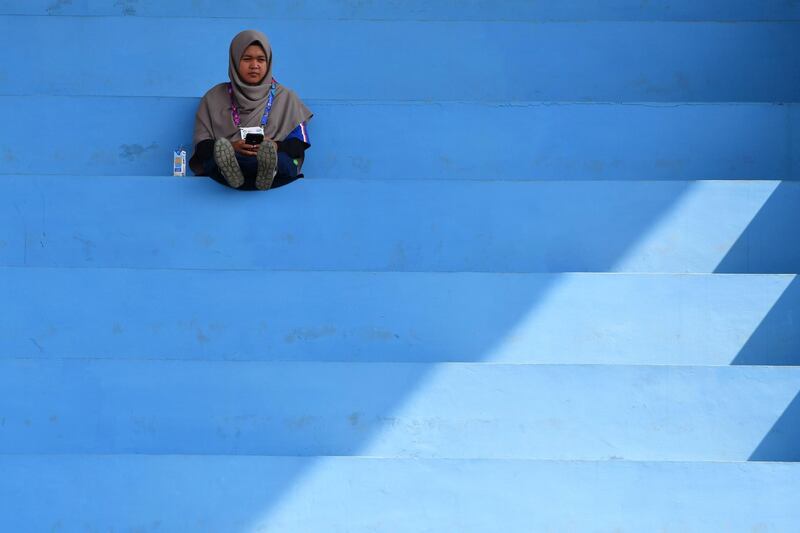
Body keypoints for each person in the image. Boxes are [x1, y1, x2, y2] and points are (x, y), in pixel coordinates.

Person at [189, 30, 313, 191]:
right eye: (247, 59)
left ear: (268, 62)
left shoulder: (286, 98)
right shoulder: (213, 98)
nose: (255, 65)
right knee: (218, 157)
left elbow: (299, 144)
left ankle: (269, 168)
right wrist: (232, 147)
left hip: (274, 162)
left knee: (281, 160)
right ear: (234, 60)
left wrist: (275, 146)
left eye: (261, 59)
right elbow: (202, 147)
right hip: (232, 161)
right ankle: (228, 169)